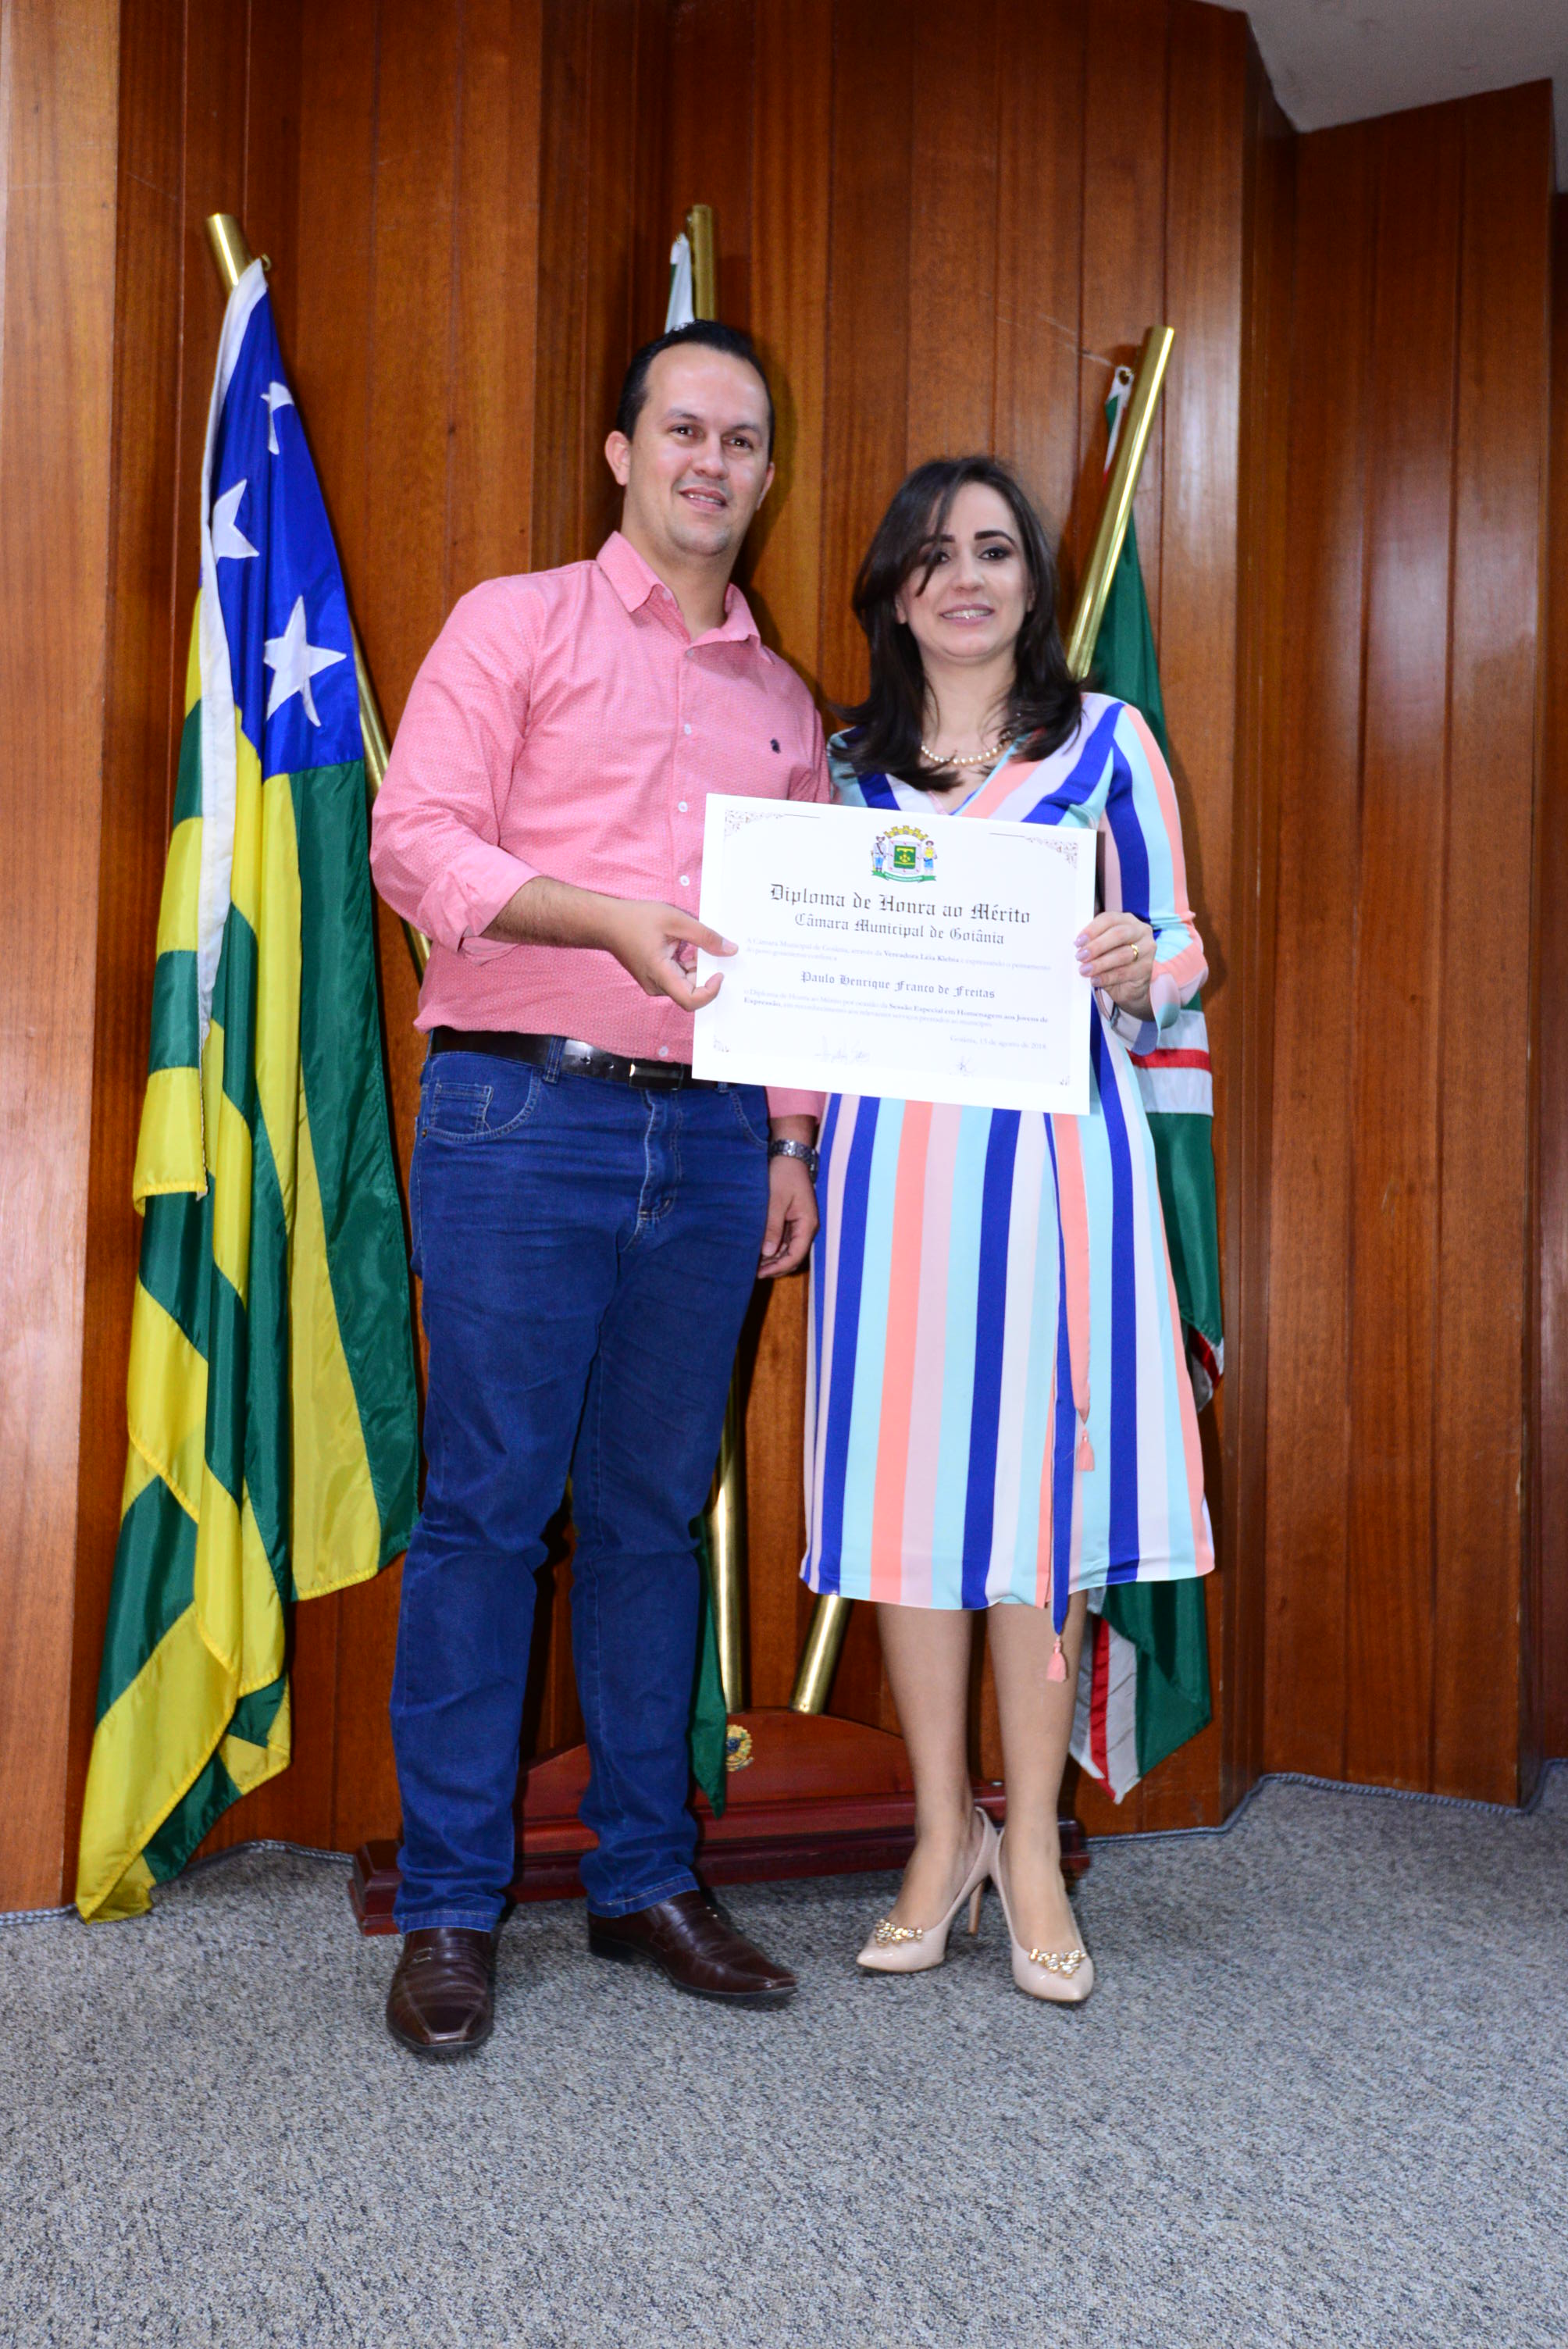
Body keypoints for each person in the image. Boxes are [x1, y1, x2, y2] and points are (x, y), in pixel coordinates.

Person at [370, 321, 826, 2058]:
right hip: (519, 1114)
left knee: (651, 1519)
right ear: (624, 453)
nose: (713, 461)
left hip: (710, 1144)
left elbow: (798, 956)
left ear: (764, 476)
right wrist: (602, 920)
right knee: (485, 1516)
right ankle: (447, 1907)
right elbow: (415, 841)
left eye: (743, 440)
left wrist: (788, 1139)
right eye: (684, 430)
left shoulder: (785, 705)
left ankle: (643, 1879)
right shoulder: (515, 624)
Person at [803, 456, 1213, 2004]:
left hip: (1054, 1179)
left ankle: (1030, 1843)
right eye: (932, 553)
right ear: (892, 589)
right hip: (888, 1179)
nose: (963, 577)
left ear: (1032, 580)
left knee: (1041, 1506)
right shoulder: (840, 766)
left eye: (991, 549)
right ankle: (940, 1833)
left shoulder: (1104, 741)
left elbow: (1180, 941)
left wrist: (1137, 959)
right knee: (908, 1509)